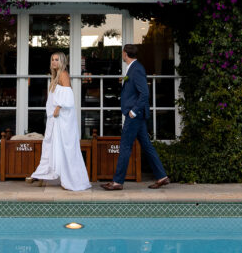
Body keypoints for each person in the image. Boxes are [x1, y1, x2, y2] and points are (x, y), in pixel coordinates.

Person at [101, 44, 170, 191]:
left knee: (125, 146)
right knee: (146, 145)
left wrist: (134, 111)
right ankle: (162, 176)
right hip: (136, 115)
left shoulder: (137, 69)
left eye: (122, 52)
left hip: (135, 115)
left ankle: (117, 182)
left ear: (125, 53)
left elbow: (145, 93)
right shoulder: (133, 68)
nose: (122, 54)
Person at [27, 51, 91, 191]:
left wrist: (58, 107)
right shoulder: (56, 76)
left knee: (66, 147)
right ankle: (50, 174)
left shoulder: (63, 74)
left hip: (63, 119)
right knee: (54, 146)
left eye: (57, 59)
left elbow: (68, 95)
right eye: (52, 59)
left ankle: (72, 180)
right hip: (56, 119)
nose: (54, 62)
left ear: (62, 61)